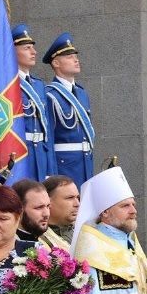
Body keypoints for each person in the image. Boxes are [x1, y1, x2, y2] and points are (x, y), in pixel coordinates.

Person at [44, 33, 96, 186]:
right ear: (56, 63)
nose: (75, 59)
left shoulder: (81, 93)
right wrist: (51, 173)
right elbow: (49, 138)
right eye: (69, 57)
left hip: (85, 162)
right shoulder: (50, 95)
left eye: (75, 56)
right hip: (64, 164)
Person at [10, 24, 56, 180]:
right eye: (27, 48)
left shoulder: (39, 85)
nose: (34, 52)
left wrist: (51, 167)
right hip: (21, 156)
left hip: (40, 155)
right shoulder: (5, 85)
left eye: (32, 48)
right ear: (13, 52)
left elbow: (47, 130)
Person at [44, 174, 81, 242]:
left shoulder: (82, 231)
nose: (77, 204)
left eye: (77, 198)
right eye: (70, 198)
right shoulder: (38, 239)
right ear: (48, 202)